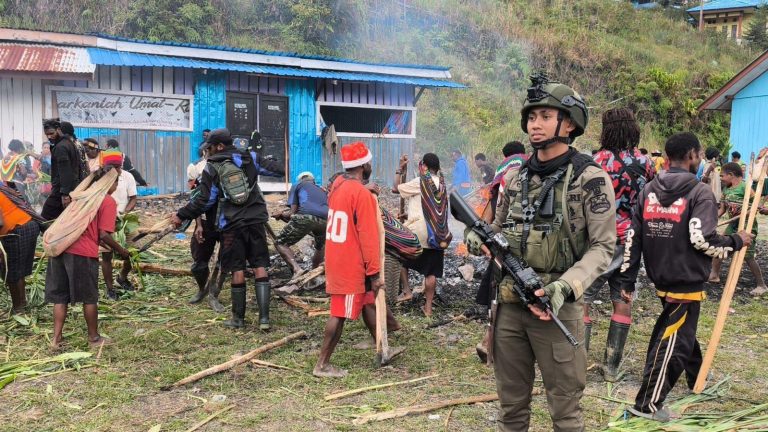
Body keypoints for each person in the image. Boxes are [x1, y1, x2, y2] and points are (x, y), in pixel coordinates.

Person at [464, 74, 616, 431]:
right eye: (532, 117)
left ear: (569, 122)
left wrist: (565, 287)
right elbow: (499, 227)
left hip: (555, 307)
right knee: (511, 409)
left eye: (546, 116)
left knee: (565, 413)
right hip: (509, 308)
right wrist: (478, 236)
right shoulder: (516, 177)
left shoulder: (589, 178)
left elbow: (604, 245)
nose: (536, 124)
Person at [618, 132, 751, 422]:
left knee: (680, 330)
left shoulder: (649, 190)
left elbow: (633, 237)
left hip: (662, 277)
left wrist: (627, 279)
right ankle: (648, 405)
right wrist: (737, 241)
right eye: (699, 153)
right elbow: (701, 240)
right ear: (692, 155)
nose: (700, 157)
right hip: (684, 281)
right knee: (673, 342)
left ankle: (697, 378)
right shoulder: (699, 192)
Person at [172, 128, 284, 330]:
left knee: (237, 268)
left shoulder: (212, 166)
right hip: (256, 220)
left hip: (231, 224)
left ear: (220, 146)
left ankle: (238, 320)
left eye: (211, 147)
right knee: (260, 265)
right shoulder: (251, 157)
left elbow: (205, 201)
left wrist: (181, 215)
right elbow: (278, 170)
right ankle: (264, 320)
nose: (209, 151)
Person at [314, 141, 402, 378]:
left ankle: (383, 349)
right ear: (364, 165)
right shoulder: (361, 195)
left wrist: (366, 189)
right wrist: (374, 274)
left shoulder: (338, 186)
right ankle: (321, 364)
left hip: (337, 257)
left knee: (368, 301)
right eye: (369, 162)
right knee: (339, 313)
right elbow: (369, 238)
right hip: (350, 262)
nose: (371, 165)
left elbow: (351, 191)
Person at [583, 108, 654, 382]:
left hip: (599, 239)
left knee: (582, 300)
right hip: (631, 242)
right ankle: (611, 368)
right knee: (622, 299)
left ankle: (578, 366)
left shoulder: (595, 161)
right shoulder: (646, 162)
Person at [45, 167, 130, 350]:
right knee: (89, 298)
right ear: (109, 183)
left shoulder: (80, 196)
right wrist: (121, 251)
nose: (116, 186)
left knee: (60, 297)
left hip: (60, 247)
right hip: (81, 253)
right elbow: (103, 234)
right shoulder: (106, 201)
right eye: (116, 182)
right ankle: (93, 338)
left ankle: (56, 340)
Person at [475, 140, 529, 362]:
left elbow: (496, 211)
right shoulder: (531, 165)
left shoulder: (501, 172)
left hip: (502, 238)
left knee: (498, 290)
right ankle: (492, 343)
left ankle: (489, 342)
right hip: (528, 241)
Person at [393, 153, 452, 317]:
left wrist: (400, 169)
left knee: (400, 257)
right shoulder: (442, 184)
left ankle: (406, 291)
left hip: (418, 230)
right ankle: (428, 308)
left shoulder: (421, 181)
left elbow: (395, 188)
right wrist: (409, 214)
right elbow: (431, 206)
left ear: (424, 166)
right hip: (438, 233)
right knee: (431, 272)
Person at [708, 162, 767, 296]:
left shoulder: (745, 188)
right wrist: (712, 220)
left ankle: (761, 285)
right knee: (720, 246)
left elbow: (756, 205)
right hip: (732, 225)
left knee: (747, 255)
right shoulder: (727, 190)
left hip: (747, 225)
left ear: (731, 175)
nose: (721, 178)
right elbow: (722, 209)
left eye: (722, 175)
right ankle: (714, 275)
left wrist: (753, 209)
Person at [98, 150, 138, 300]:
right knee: (107, 255)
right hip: (107, 222)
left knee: (133, 252)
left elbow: (133, 198)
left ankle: (122, 277)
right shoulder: (101, 179)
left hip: (124, 219)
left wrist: (125, 212)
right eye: (112, 166)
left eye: (118, 166)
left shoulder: (128, 177)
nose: (116, 170)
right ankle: (110, 288)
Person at [272, 171, 328, 276]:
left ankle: (297, 270)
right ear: (313, 181)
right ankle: (314, 274)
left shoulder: (297, 185)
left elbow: (292, 213)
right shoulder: (322, 189)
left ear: (301, 179)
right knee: (320, 247)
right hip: (326, 219)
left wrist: (280, 214)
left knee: (280, 243)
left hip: (306, 216)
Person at [0, 183, 43, 314]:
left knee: (10, 270)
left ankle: (18, 308)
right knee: (19, 269)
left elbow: (0, 222)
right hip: (30, 224)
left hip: (16, 230)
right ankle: (22, 303)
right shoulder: (3, 186)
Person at [41, 119, 86, 220]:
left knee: (45, 217)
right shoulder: (68, 143)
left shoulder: (61, 147)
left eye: (52, 133)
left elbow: (65, 171)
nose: (49, 137)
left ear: (59, 130)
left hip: (61, 192)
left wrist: (65, 195)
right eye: (47, 134)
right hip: (71, 189)